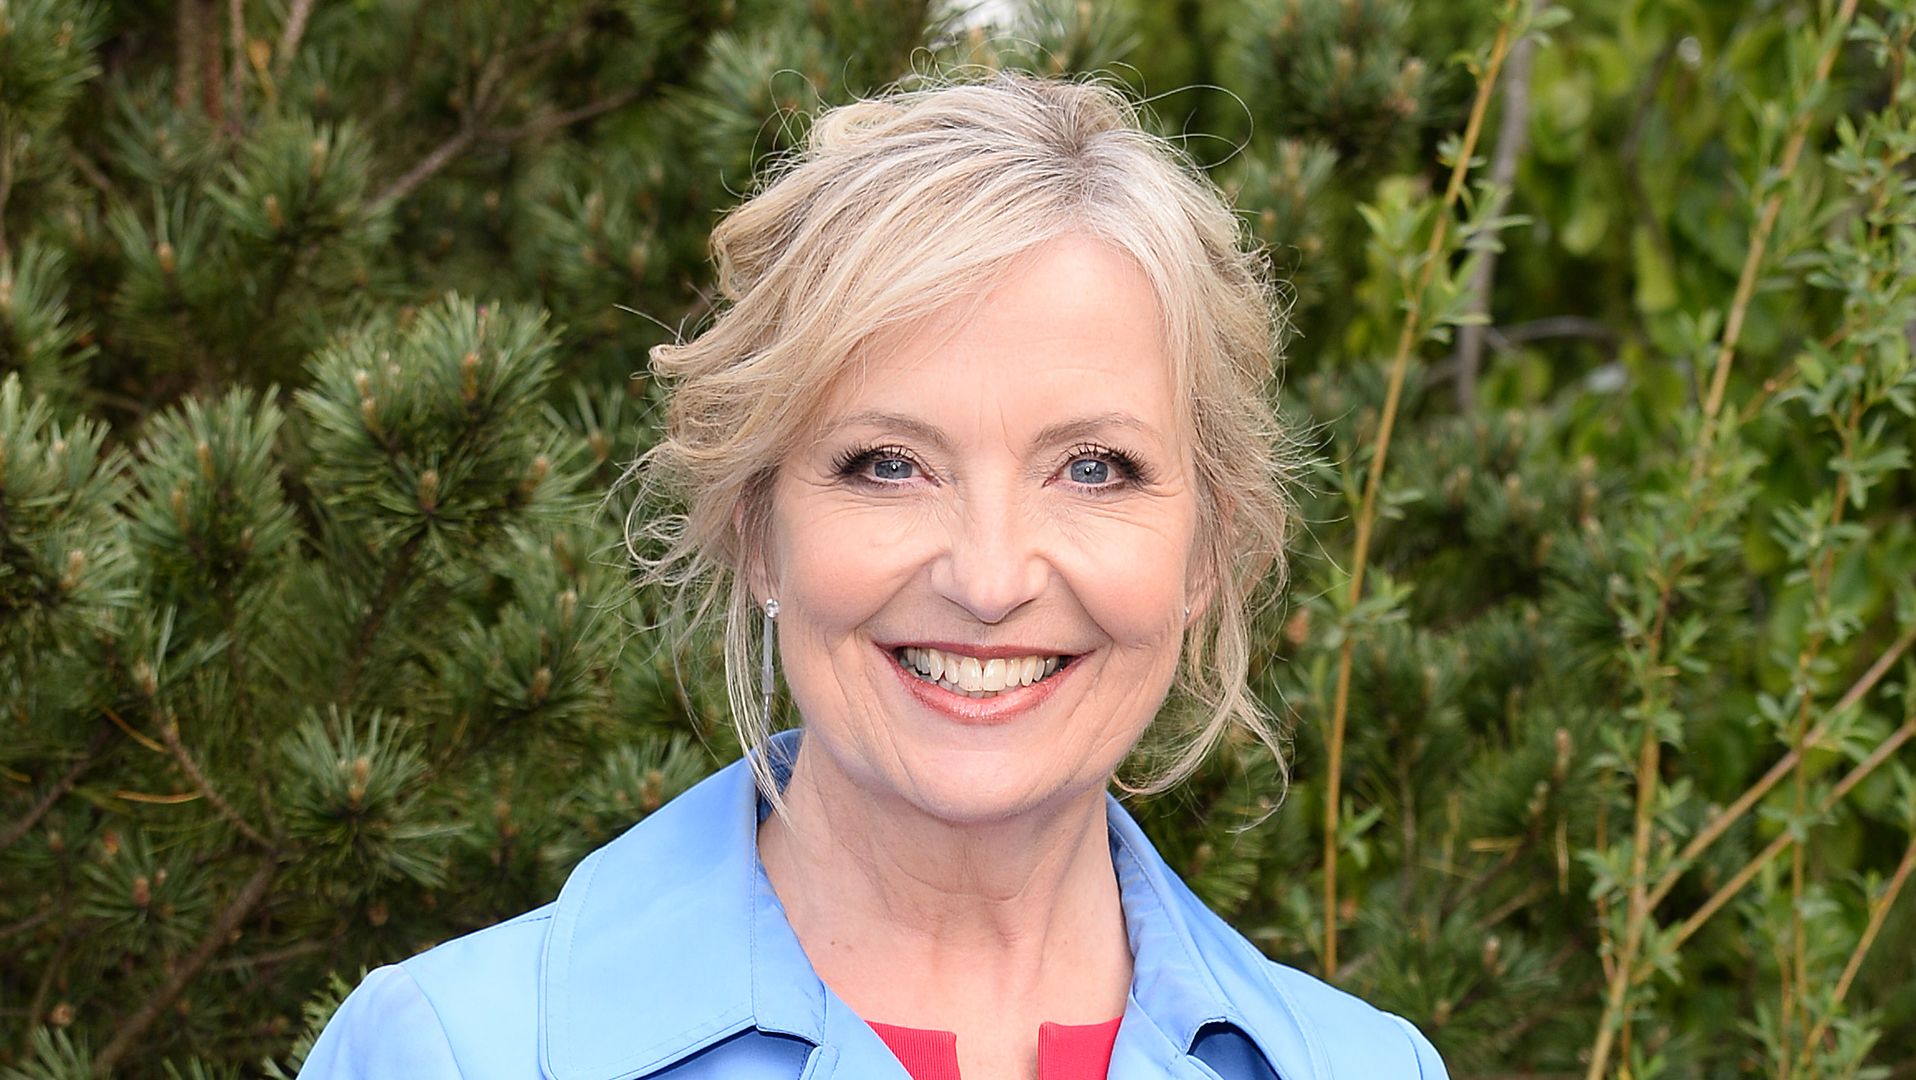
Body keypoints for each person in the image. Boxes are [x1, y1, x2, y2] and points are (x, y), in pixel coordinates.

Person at [299, 71, 1448, 1080]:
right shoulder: (455, 1056)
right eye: (889, 465)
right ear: (757, 526)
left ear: (1209, 546)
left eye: (1093, 467)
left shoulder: (1369, 1069)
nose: (991, 576)